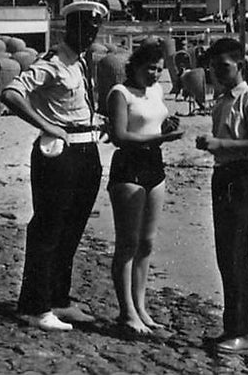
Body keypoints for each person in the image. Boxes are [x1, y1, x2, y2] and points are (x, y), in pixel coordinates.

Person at [0, 0, 109, 332]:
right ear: (69, 28)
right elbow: (12, 93)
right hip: (58, 154)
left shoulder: (81, 64)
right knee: (48, 228)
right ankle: (35, 306)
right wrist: (45, 125)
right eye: (83, 28)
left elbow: (74, 106)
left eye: (94, 29)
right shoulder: (52, 62)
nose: (89, 34)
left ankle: (59, 299)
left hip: (86, 150)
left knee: (72, 229)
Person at [195, 37, 248, 354]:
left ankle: (240, 330)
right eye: (213, 67)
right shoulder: (222, 100)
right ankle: (231, 327)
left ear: (239, 65)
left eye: (223, 66)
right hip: (223, 176)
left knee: (238, 256)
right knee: (225, 257)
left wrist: (221, 145)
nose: (218, 72)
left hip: (242, 178)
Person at [105, 41, 184, 335]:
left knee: (147, 243)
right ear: (134, 66)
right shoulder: (120, 93)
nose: (154, 74)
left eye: (159, 69)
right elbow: (121, 136)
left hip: (155, 166)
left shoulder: (156, 91)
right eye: (150, 68)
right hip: (129, 167)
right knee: (127, 243)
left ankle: (141, 307)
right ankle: (126, 312)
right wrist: (161, 139)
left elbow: (153, 122)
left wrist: (166, 127)